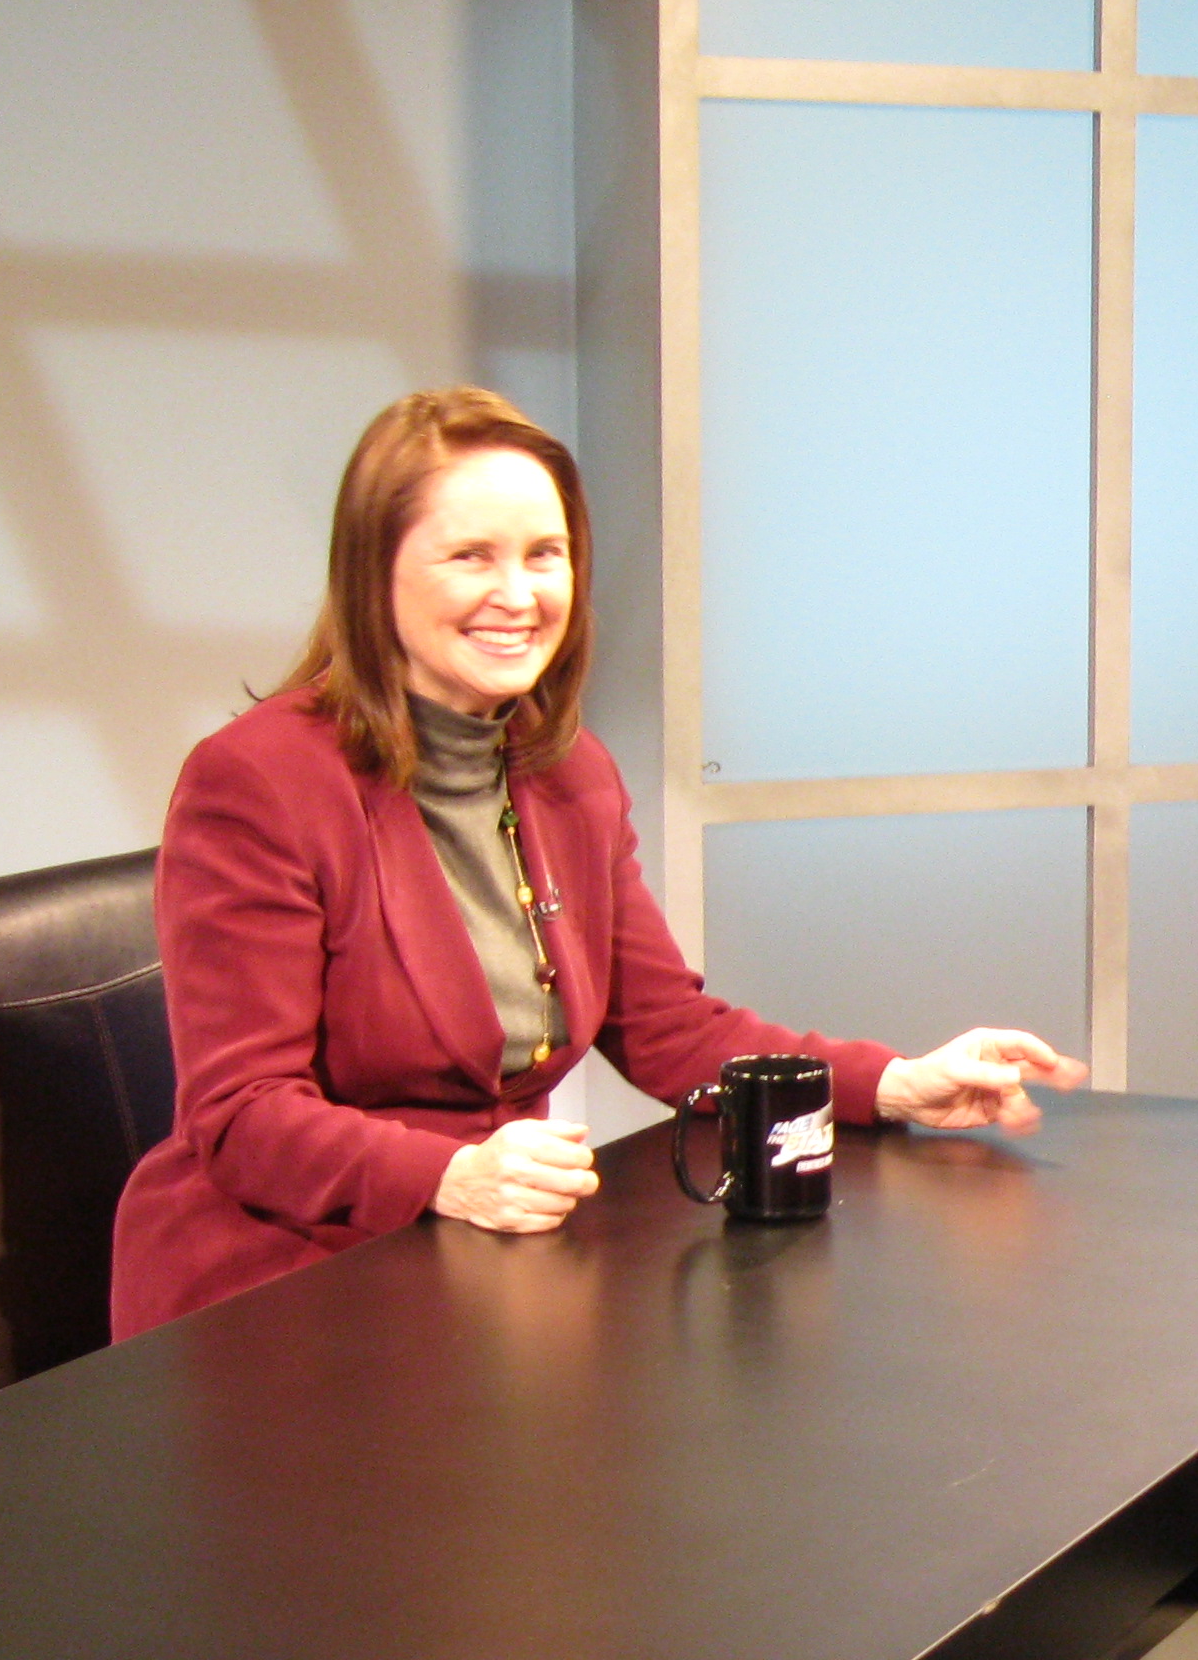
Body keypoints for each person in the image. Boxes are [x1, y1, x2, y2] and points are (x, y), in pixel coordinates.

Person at [110, 387, 1082, 1336]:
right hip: (283, 1280)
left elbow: (667, 1030)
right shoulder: (260, 780)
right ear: (375, 572)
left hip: (482, 1258)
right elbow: (241, 1115)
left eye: (545, 554)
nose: (518, 594)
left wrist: (894, 1082)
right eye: (470, 556)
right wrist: (448, 1175)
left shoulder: (568, 771)